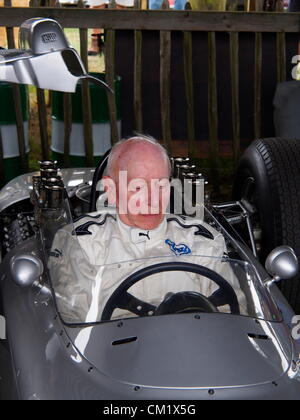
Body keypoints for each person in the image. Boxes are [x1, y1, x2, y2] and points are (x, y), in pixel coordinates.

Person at [49, 135, 246, 322]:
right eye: (138, 188)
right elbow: (76, 331)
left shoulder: (202, 241)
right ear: (111, 190)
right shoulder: (82, 243)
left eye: (161, 186)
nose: (153, 200)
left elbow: (234, 317)